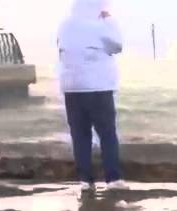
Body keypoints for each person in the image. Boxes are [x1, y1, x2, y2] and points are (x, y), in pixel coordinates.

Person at [58, 0, 125, 191]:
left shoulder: (65, 25)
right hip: (97, 86)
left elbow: (60, 48)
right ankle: (113, 179)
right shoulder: (100, 25)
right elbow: (117, 45)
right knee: (107, 133)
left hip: (71, 86)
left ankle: (85, 180)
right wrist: (110, 21)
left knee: (80, 135)